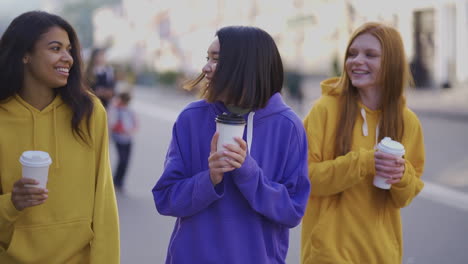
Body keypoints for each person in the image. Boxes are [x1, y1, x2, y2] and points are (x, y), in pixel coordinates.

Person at [152, 26, 310, 264]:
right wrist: (210, 179)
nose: (206, 67)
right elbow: (165, 198)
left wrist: (248, 172)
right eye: (208, 58)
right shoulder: (191, 118)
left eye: (217, 59)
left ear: (243, 65)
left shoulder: (287, 126)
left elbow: (293, 211)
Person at [0, 11, 119, 263]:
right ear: (24, 54)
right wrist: (12, 202)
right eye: (55, 48)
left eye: (69, 50)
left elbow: (104, 202)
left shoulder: (89, 111)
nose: (68, 58)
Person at [300, 22, 425, 263]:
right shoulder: (324, 110)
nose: (356, 60)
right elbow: (305, 178)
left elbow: (406, 196)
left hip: (381, 255)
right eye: (352, 53)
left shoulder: (408, 122)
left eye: (370, 55)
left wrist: (400, 175)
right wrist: (365, 161)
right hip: (327, 254)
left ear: (392, 62)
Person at [108, 92, 138, 191]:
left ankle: (120, 182)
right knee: (122, 160)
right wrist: (121, 130)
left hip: (128, 138)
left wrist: (131, 130)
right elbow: (112, 123)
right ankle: (116, 180)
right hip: (119, 137)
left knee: (126, 162)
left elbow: (135, 123)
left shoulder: (130, 110)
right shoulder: (115, 109)